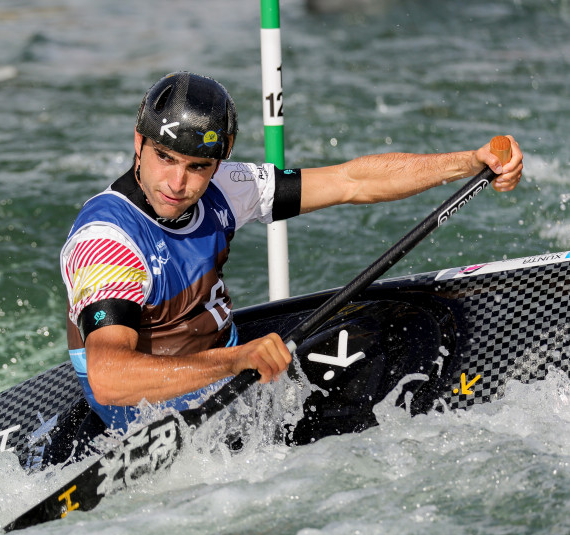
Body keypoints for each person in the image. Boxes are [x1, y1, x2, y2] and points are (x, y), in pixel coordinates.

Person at [59, 71, 523, 436]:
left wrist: (468, 162)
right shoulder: (107, 242)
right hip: (150, 417)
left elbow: (351, 181)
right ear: (139, 144)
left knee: (387, 327)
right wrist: (237, 361)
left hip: (225, 368)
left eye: (197, 166)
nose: (178, 184)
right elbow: (110, 378)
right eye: (165, 158)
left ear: (217, 163)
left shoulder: (223, 187)